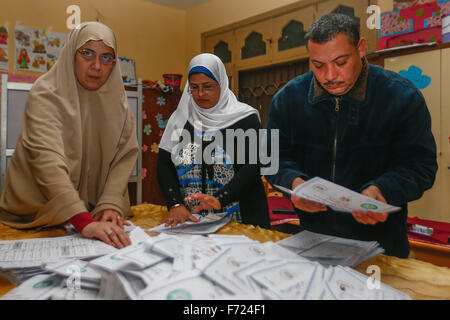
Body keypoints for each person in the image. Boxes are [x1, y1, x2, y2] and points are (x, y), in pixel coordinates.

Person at [265, 13, 437, 258]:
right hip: (313, 240)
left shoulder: (401, 97)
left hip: (381, 246)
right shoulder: (289, 99)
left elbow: (420, 166)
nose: (330, 76)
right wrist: (295, 184)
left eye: (341, 62)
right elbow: (273, 158)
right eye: (318, 65)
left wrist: (382, 189)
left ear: (361, 48)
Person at [0, 22, 138, 248]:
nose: (96, 66)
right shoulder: (46, 94)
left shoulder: (118, 103)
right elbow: (47, 160)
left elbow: (123, 157)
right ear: (71, 53)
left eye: (106, 58)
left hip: (94, 210)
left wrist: (111, 203)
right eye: (87, 54)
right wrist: (83, 221)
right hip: (38, 212)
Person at [158, 53, 270, 228]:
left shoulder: (244, 118)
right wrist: (175, 203)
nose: (200, 93)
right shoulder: (180, 119)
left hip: (240, 219)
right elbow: (165, 164)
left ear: (222, 84)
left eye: (208, 87)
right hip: (192, 220)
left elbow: (253, 168)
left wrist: (220, 198)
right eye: (194, 87)